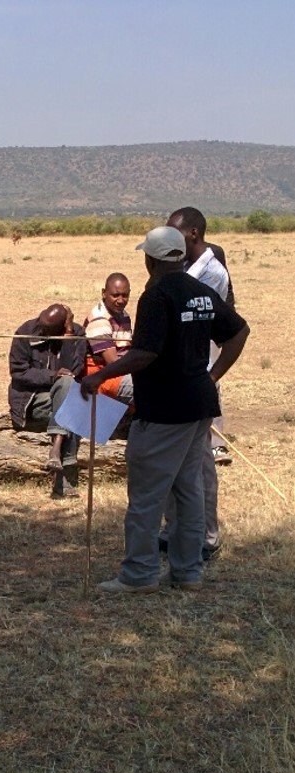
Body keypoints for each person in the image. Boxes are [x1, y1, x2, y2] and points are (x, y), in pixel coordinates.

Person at [82, 225, 248, 594]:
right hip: (200, 406)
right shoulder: (199, 290)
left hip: (165, 410)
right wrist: (211, 376)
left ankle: (139, 574)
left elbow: (145, 353)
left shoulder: (156, 294)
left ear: (150, 260)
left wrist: (101, 376)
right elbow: (239, 331)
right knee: (188, 490)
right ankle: (187, 572)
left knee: (146, 495)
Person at [161, 207, 231, 563]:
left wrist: (211, 377)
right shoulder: (187, 268)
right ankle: (175, 529)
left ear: (192, 234)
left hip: (197, 378)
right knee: (178, 462)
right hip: (180, 380)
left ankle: (206, 534)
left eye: (175, 234)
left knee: (199, 464)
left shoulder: (211, 274)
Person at [8, 303, 87, 497]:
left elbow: (73, 370)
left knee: (67, 388)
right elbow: (19, 372)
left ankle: (56, 451)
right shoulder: (25, 332)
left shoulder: (77, 333)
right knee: (71, 404)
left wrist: (68, 335)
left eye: (47, 328)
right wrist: (52, 376)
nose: (41, 329)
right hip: (32, 400)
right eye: (41, 322)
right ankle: (64, 473)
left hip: (61, 398)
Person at [82, 273, 135, 404]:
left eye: (125, 295)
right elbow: (113, 363)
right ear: (104, 293)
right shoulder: (99, 319)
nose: (121, 300)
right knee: (150, 388)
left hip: (119, 371)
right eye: (115, 295)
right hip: (103, 377)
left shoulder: (122, 314)